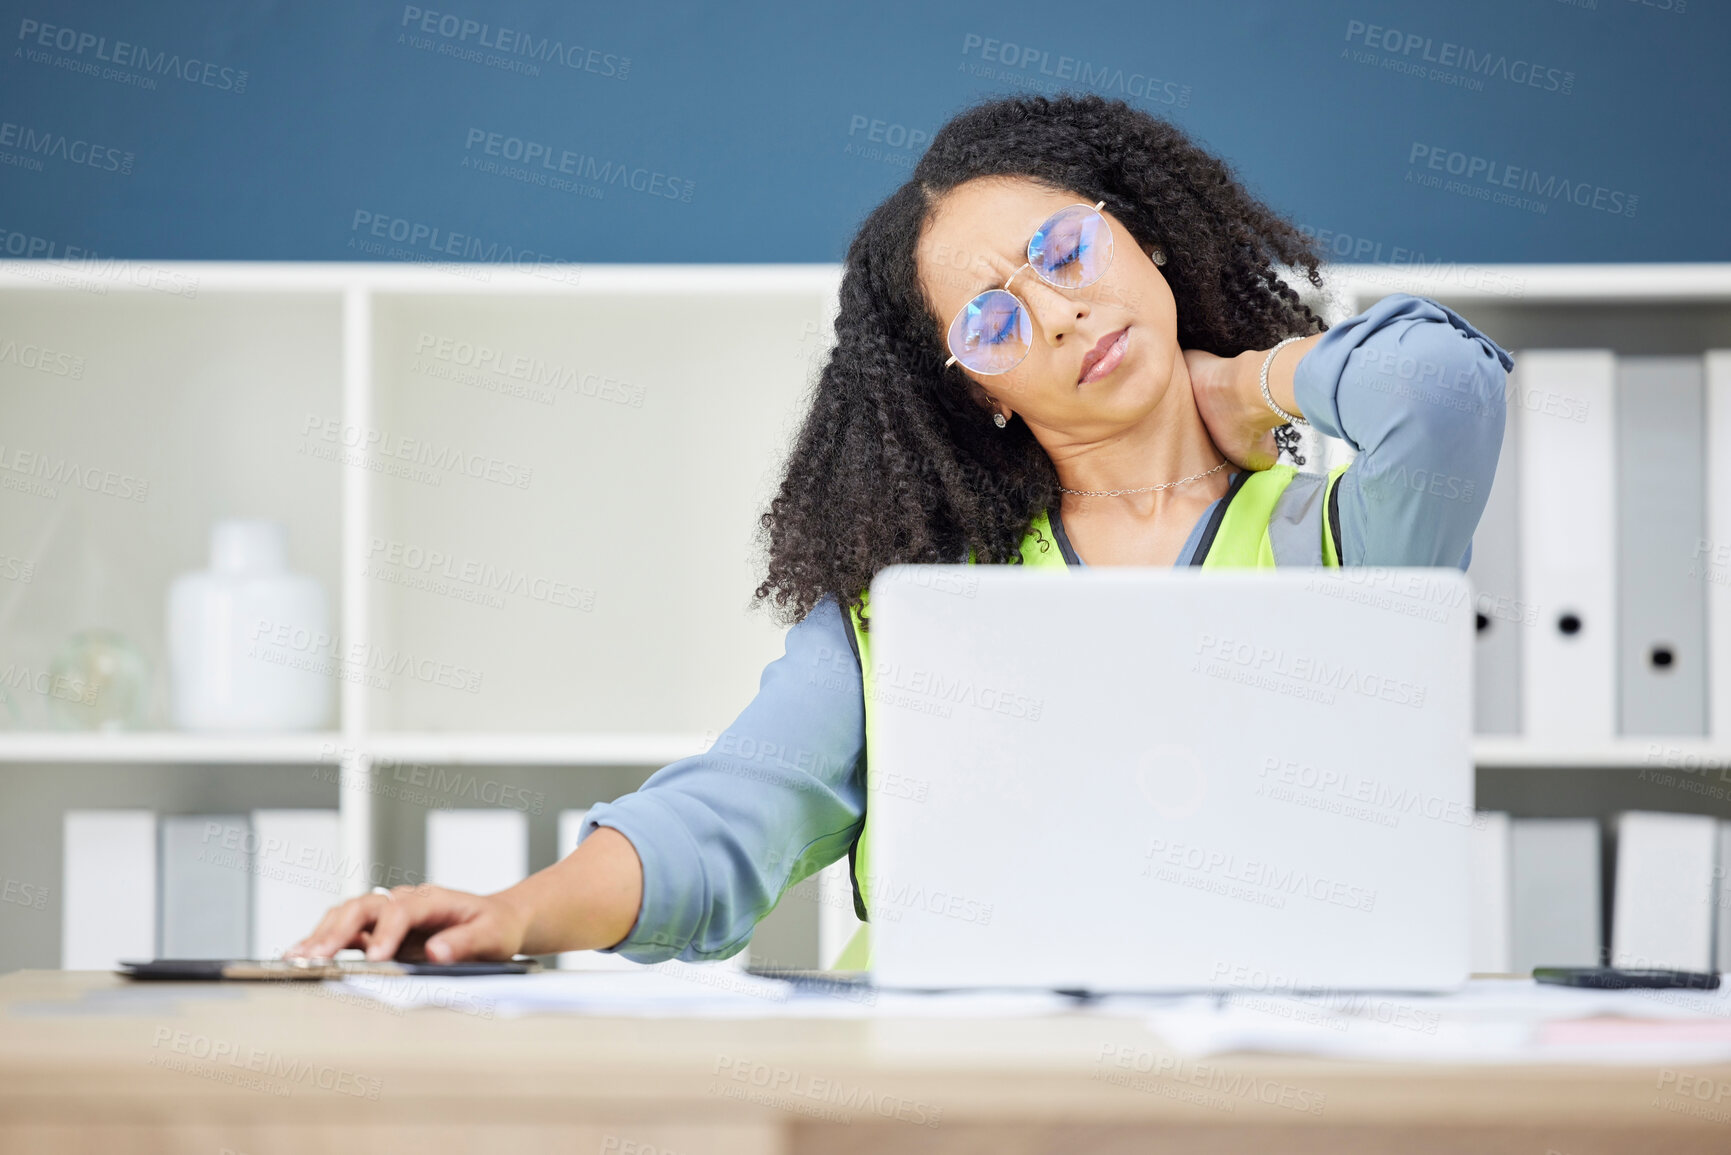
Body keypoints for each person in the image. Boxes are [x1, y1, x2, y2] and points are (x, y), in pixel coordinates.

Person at [289, 93, 1512, 967]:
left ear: (1134, 230)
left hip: (1270, 1089)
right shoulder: (912, 607)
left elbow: (1443, 392)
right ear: (978, 388)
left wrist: (1247, 387)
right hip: (939, 1092)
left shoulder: (1337, 541)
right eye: (992, 318)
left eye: (1066, 249)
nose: (1058, 308)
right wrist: (517, 913)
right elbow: (728, 817)